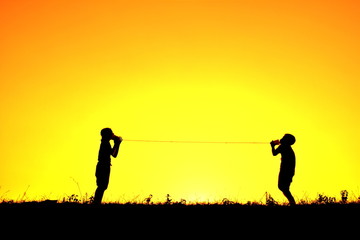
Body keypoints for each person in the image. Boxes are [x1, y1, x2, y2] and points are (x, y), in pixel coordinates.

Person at [93, 128, 122, 204]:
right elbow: (114, 154)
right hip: (103, 167)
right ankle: (96, 203)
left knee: (102, 186)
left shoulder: (105, 143)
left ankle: (96, 202)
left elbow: (113, 154)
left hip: (102, 166)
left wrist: (116, 142)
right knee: (102, 186)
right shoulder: (105, 144)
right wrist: (117, 143)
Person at [270, 134, 296, 206]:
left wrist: (272, 146)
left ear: (286, 141)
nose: (281, 139)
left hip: (285, 170)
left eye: (283, 138)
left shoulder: (283, 146)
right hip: (289, 171)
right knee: (283, 187)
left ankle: (292, 203)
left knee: (282, 187)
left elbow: (274, 153)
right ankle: (292, 203)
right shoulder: (287, 147)